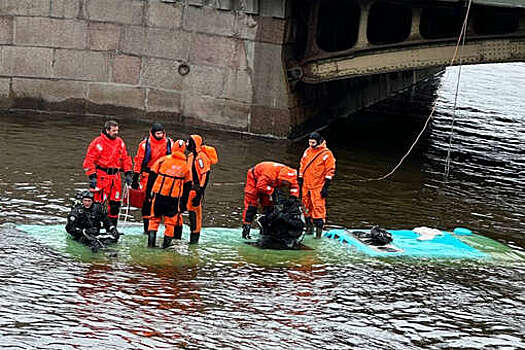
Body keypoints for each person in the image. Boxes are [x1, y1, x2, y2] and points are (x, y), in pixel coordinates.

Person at [82, 120, 133, 226]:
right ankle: (93, 227)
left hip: (115, 177)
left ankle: (112, 228)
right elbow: (89, 160)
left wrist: (128, 173)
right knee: (97, 204)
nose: (116, 133)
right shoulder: (98, 142)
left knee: (115, 205)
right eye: (114, 130)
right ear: (107, 130)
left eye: (117, 130)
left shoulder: (120, 142)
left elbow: (125, 158)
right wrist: (92, 176)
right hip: (102, 176)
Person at [131, 122, 174, 234]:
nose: (159, 135)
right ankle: (147, 228)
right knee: (147, 201)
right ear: (153, 133)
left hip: (163, 176)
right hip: (148, 175)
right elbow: (139, 161)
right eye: (157, 133)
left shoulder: (169, 143)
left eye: (161, 133)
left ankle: (160, 226)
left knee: (163, 201)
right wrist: (135, 177)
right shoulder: (145, 145)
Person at [146, 146, 192, 248]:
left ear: (173, 148)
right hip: (173, 199)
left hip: (159, 196)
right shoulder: (186, 165)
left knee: (153, 220)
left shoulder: (163, 160)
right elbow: (188, 185)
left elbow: (152, 175)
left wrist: (148, 193)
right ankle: (165, 247)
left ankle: (150, 245)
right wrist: (183, 204)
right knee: (170, 224)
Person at [242, 161, 300, 239]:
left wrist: (293, 197)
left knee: (268, 206)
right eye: (285, 182)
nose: (286, 185)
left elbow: (295, 187)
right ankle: (246, 229)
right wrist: (272, 191)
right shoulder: (269, 174)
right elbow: (260, 186)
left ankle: (266, 229)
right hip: (254, 179)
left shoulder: (291, 176)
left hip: (269, 184)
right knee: (251, 205)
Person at [298, 132, 336, 239]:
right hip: (306, 185)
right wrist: (300, 179)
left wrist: (326, 187)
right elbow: (302, 164)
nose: (311, 145)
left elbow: (330, 171)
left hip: (318, 187)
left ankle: (318, 235)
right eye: (310, 142)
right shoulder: (307, 151)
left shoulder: (326, 154)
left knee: (318, 210)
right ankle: (309, 230)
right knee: (305, 208)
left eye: (313, 142)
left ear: (318, 141)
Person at [186, 135, 218, 244]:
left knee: (195, 216)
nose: (186, 144)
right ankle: (191, 238)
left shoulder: (201, 157)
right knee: (191, 215)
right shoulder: (191, 156)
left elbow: (205, 174)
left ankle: (194, 240)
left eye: (188, 142)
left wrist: (200, 192)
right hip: (189, 190)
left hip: (196, 190)